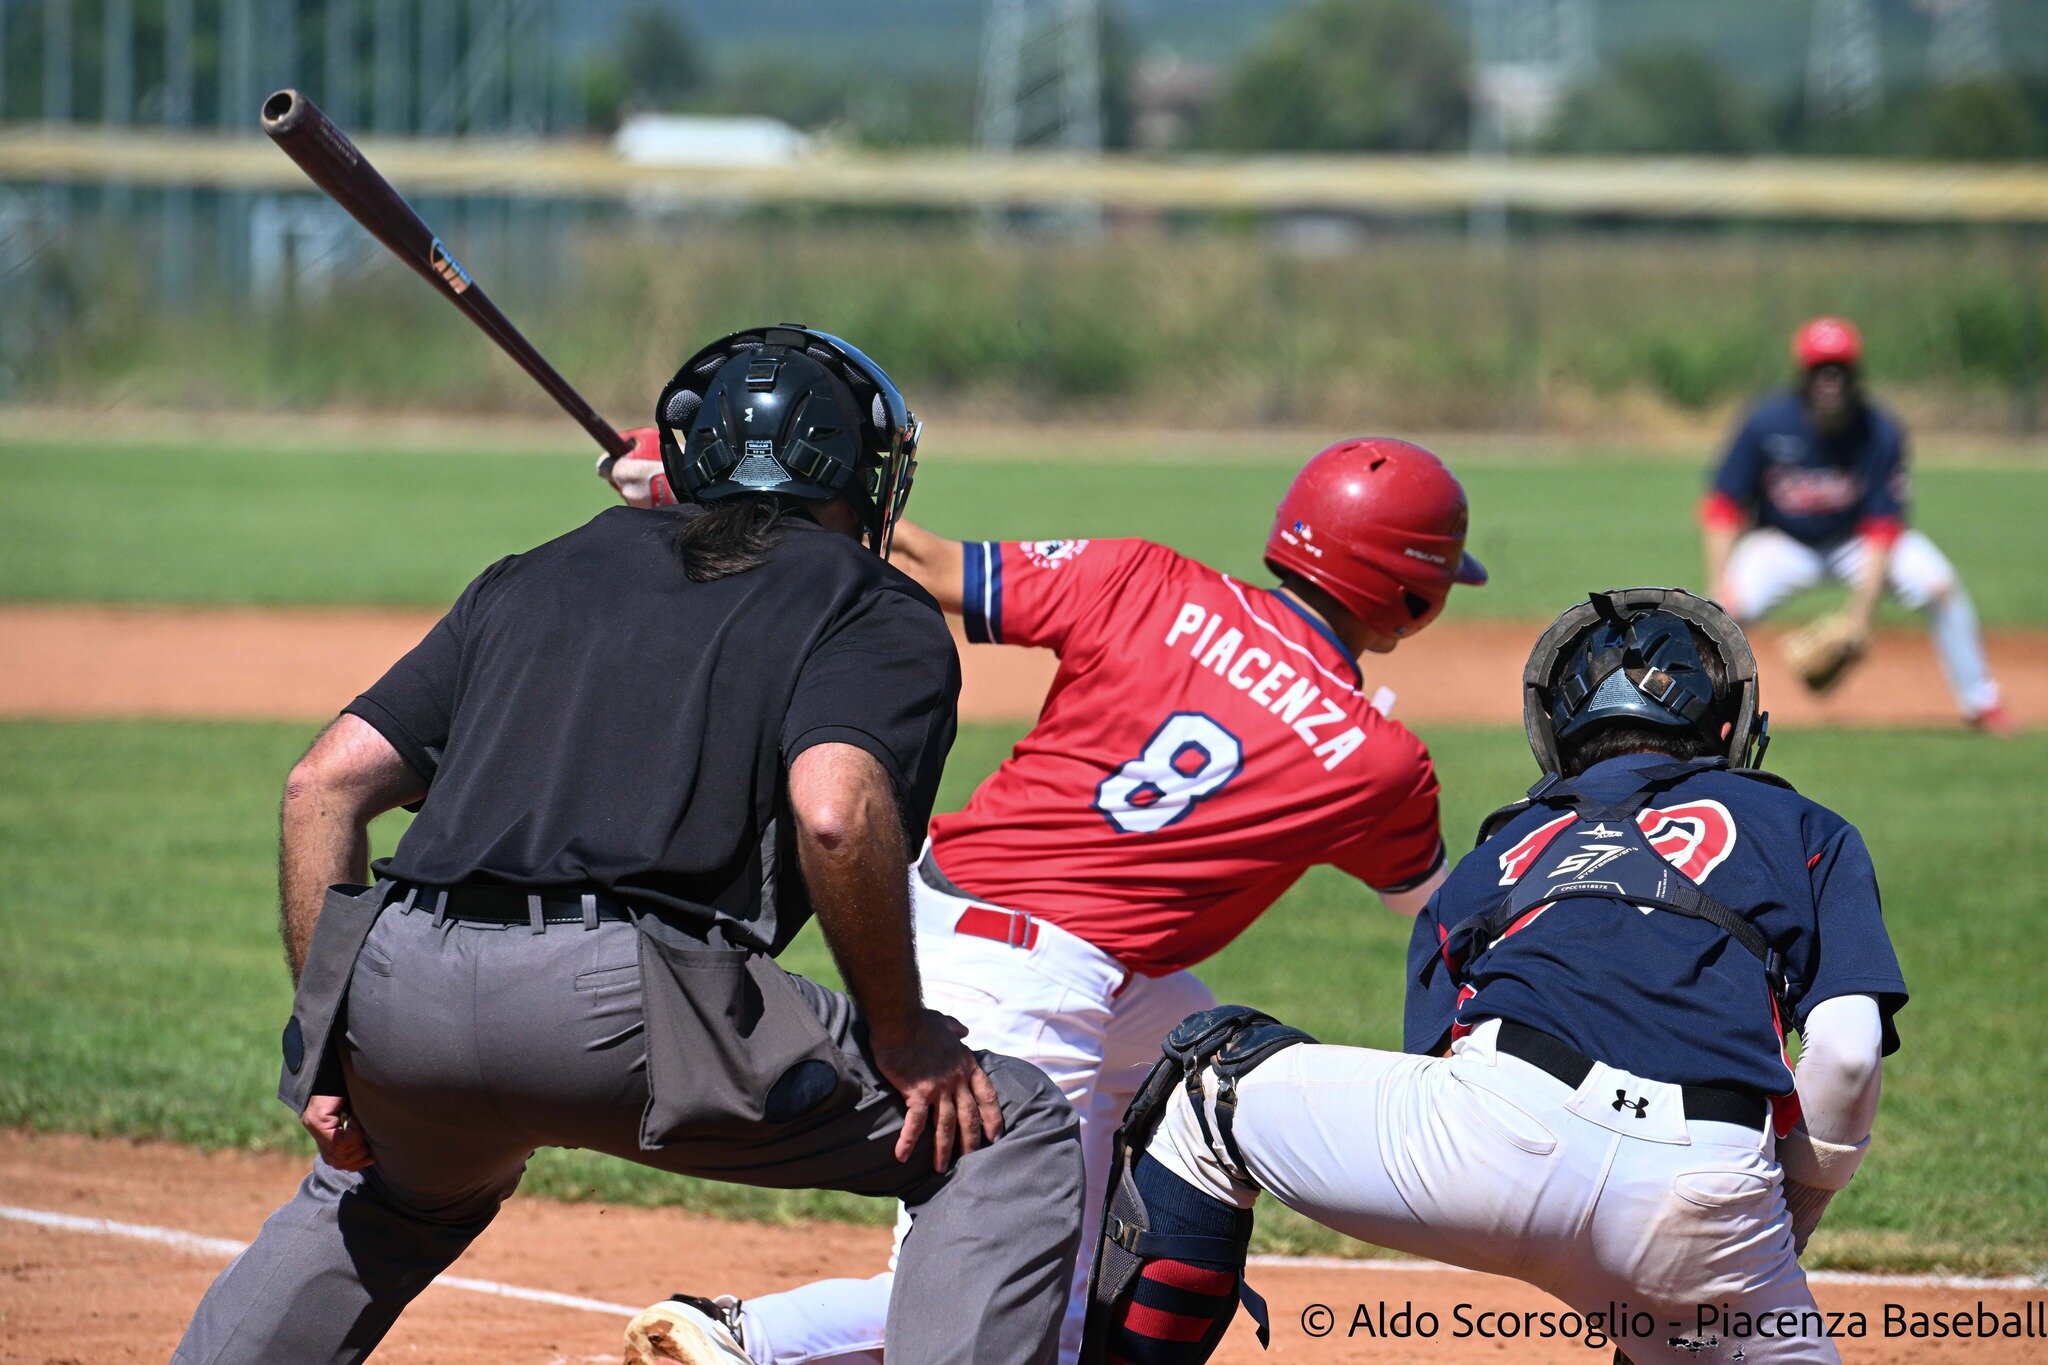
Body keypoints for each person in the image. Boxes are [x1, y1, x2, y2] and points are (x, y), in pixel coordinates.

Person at [171, 326, 1084, 1365]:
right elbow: (834, 812)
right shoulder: (868, 603)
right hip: (630, 1013)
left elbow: (321, 785)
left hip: (399, 994)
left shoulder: (540, 570)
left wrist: (331, 1042)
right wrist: (905, 1034)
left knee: (386, 1189)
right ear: (866, 477)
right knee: (1003, 1131)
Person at [610, 436, 1486, 1365]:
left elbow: (921, 557)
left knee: (1196, 1066)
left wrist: (702, 484)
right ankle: (746, 1338)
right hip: (1027, 981)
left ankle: (1136, 1247)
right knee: (1022, 1298)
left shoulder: (1146, 578)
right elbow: (1428, 901)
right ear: (1412, 597)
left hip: (971, 921)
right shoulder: (1379, 762)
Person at [1081, 588, 1906, 1365]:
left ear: (1556, 731)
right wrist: (1778, 1218)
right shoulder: (1803, 824)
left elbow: (1439, 1059)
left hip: (1495, 1140)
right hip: (1708, 1190)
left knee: (1207, 1090)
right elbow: (1845, 1055)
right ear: (1730, 728)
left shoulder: (1499, 850)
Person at [1701, 315, 2008, 731]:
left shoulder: (1879, 431)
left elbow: (1883, 527)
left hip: (1854, 542)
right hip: (1782, 542)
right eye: (1820, 368)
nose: (1830, 379)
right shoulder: (1766, 423)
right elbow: (1723, 505)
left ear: (1854, 372)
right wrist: (1721, 581)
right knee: (1721, 613)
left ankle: (1982, 702)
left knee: (1939, 585)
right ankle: (1697, 718)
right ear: (1803, 374)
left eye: (1839, 368)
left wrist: (1859, 618)